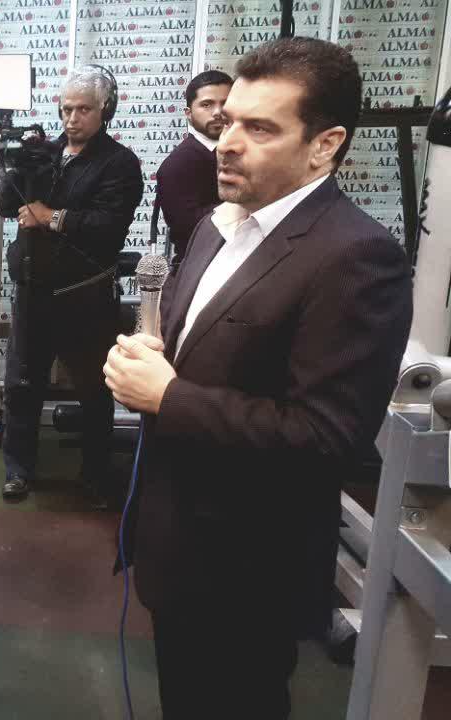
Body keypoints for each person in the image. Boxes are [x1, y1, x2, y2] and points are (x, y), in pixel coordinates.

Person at [103, 38, 412, 719]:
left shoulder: (356, 257)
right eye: (228, 122)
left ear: (325, 145)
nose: (228, 143)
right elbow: (198, 350)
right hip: (175, 544)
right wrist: (147, 359)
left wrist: (168, 395)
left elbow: (328, 435)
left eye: (261, 129)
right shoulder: (217, 226)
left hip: (247, 568)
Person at [2, 65, 144, 504]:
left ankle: (95, 475)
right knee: (22, 385)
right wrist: (16, 167)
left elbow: (108, 226)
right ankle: (18, 469)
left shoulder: (120, 163)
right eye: (66, 109)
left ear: (106, 110)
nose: (72, 118)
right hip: (33, 290)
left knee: (93, 390)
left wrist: (52, 216)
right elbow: (7, 206)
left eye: (83, 109)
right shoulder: (44, 153)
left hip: (85, 295)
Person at [155, 70, 232, 262]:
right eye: (206, 105)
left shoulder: (246, 152)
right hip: (200, 266)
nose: (218, 112)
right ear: (188, 114)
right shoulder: (178, 164)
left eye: (225, 103)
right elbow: (188, 227)